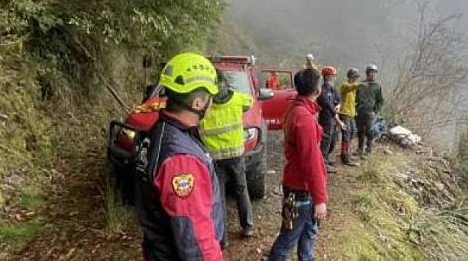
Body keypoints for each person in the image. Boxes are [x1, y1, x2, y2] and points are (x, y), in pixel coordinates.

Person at [134, 53, 225, 261]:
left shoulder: (161, 132)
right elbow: (194, 237)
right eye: (210, 96)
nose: (212, 103)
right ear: (198, 103)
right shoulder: (181, 159)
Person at [268, 68, 328, 261]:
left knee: (308, 234)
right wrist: (320, 199)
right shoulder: (304, 118)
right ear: (317, 90)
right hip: (301, 190)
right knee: (288, 239)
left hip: (299, 187)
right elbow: (310, 162)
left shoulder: (297, 110)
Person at [200, 72, 255, 239]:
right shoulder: (238, 99)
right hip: (236, 155)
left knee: (219, 197)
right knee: (241, 190)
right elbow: (250, 102)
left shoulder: (205, 105)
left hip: (215, 158)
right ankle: (248, 227)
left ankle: (221, 236)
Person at [317, 66, 343, 174]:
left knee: (333, 139)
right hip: (325, 118)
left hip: (333, 117)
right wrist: (336, 113)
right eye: (332, 76)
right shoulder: (322, 90)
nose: (334, 78)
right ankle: (323, 161)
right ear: (327, 76)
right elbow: (327, 104)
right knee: (326, 140)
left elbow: (338, 99)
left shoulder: (333, 89)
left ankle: (326, 158)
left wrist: (338, 106)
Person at [355, 63, 384, 159]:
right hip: (359, 111)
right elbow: (354, 97)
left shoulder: (377, 86)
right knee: (360, 131)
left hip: (370, 112)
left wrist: (375, 112)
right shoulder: (360, 85)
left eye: (375, 73)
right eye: (371, 72)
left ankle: (369, 150)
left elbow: (380, 101)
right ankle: (360, 149)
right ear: (367, 73)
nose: (373, 74)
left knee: (369, 131)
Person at [339, 68, 361, 166]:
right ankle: (344, 156)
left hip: (351, 113)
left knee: (353, 132)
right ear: (350, 76)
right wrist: (360, 84)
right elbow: (350, 87)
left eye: (356, 77)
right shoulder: (345, 85)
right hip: (345, 113)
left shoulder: (354, 89)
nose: (355, 78)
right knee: (347, 133)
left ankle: (347, 152)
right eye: (354, 76)